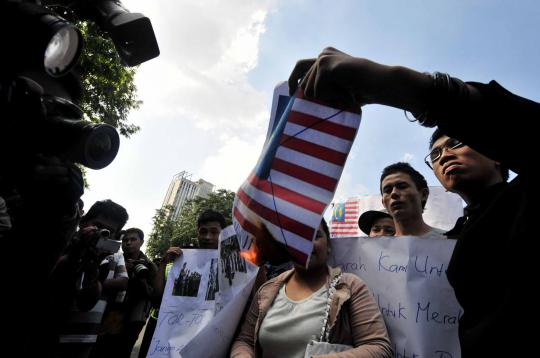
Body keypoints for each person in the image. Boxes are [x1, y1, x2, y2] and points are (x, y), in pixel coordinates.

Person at [288, 47, 535, 356]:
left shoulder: (524, 200)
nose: (445, 154)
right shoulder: (462, 233)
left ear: (497, 151)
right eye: (436, 153)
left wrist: (401, 86)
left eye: (457, 142)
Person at [230, 219, 393, 357]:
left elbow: (379, 347)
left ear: (328, 245)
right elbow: (244, 340)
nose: (305, 244)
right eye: (297, 237)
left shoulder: (349, 286)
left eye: (315, 236)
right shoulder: (267, 290)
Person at [91, 227, 157, 358]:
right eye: (125, 240)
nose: (128, 243)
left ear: (141, 242)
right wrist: (121, 270)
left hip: (133, 317)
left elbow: (154, 295)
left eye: (133, 239)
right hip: (108, 312)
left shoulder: (149, 266)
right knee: (99, 348)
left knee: (122, 350)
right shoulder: (113, 259)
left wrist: (141, 280)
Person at [380, 162, 444, 238]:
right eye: (387, 190)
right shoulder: (379, 248)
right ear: (383, 202)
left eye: (402, 187)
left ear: (423, 194)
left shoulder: (452, 241)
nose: (394, 193)